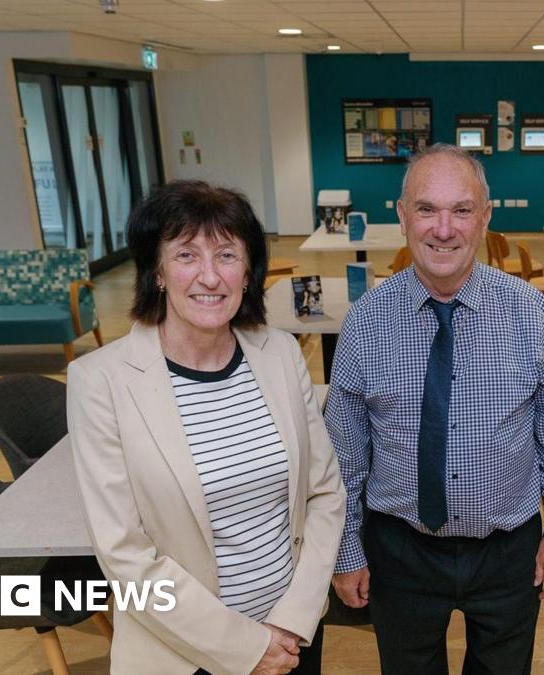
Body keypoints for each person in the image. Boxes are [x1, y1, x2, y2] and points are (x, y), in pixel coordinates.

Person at [325, 143, 544, 673]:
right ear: (402, 217)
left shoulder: (528, 311)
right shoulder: (365, 321)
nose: (443, 229)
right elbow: (343, 459)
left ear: (485, 218)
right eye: (426, 209)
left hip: (508, 550)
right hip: (400, 551)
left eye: (462, 210)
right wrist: (347, 551)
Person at [68, 180, 345, 675]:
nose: (210, 277)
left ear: (248, 271)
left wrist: (293, 620)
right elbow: (123, 556)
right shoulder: (100, 381)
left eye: (226, 255)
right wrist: (244, 647)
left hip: (290, 640)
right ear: (157, 271)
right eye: (186, 255)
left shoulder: (280, 352)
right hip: (179, 652)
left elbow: (324, 494)